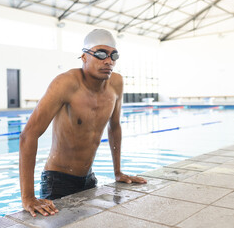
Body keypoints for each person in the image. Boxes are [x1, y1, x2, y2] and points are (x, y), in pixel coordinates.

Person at [19, 29, 147, 217]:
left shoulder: (116, 83)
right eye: (101, 54)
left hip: (89, 179)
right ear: (84, 57)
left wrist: (118, 172)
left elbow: (115, 127)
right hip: (57, 180)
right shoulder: (66, 83)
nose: (108, 61)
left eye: (114, 55)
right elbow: (28, 134)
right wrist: (27, 197)